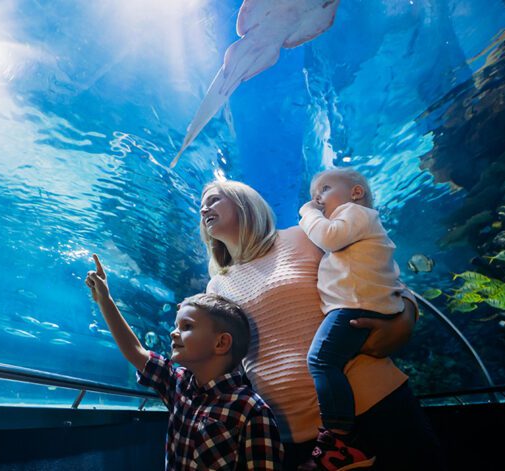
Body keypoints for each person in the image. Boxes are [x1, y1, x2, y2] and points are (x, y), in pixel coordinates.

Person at [199, 180, 444, 471]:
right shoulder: (215, 286)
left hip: (373, 406)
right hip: (293, 436)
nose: (204, 208)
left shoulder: (304, 237)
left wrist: (405, 319)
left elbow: (384, 276)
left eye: (214, 199)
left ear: (244, 201)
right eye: (202, 204)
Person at [85, 254, 284, 470]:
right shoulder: (179, 384)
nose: (173, 333)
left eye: (186, 327)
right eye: (176, 326)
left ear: (221, 343)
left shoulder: (250, 409)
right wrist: (105, 299)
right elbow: (135, 351)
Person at [297, 168, 405, 469]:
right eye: (312, 196)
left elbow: (329, 237)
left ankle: (340, 437)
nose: (317, 199)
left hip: (355, 303)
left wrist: (307, 212)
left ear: (355, 192)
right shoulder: (353, 223)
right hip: (357, 302)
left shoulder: (356, 213)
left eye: (324, 189)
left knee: (320, 361)